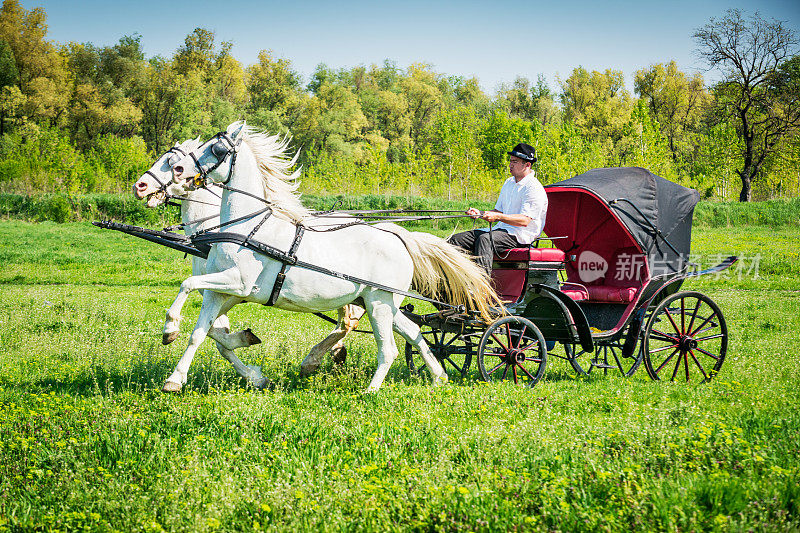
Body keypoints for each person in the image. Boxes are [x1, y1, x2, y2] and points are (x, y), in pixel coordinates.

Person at [448, 143, 548, 273]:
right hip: (501, 230)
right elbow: (499, 211)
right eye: (510, 161)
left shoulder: (533, 188)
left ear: (527, 165)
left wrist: (498, 217)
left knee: (485, 239)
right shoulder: (509, 182)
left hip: (520, 236)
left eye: (515, 162)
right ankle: (456, 281)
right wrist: (480, 213)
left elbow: (524, 220)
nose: (510, 164)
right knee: (456, 240)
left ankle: (481, 286)